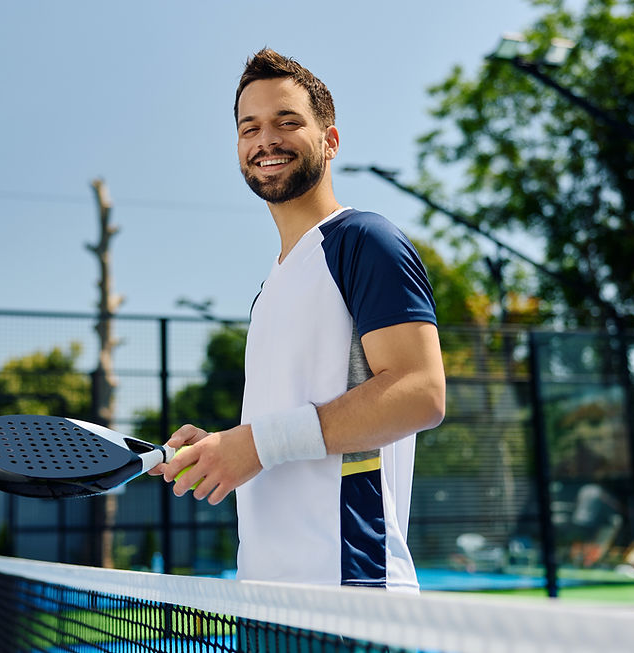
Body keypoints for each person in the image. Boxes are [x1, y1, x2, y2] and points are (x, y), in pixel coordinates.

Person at [150, 49, 445, 591]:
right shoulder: (271, 287)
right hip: (264, 600)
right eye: (250, 128)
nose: (266, 140)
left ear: (330, 141)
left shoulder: (363, 241)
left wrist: (254, 445)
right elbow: (289, 432)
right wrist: (226, 445)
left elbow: (420, 392)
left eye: (287, 122)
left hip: (349, 597)